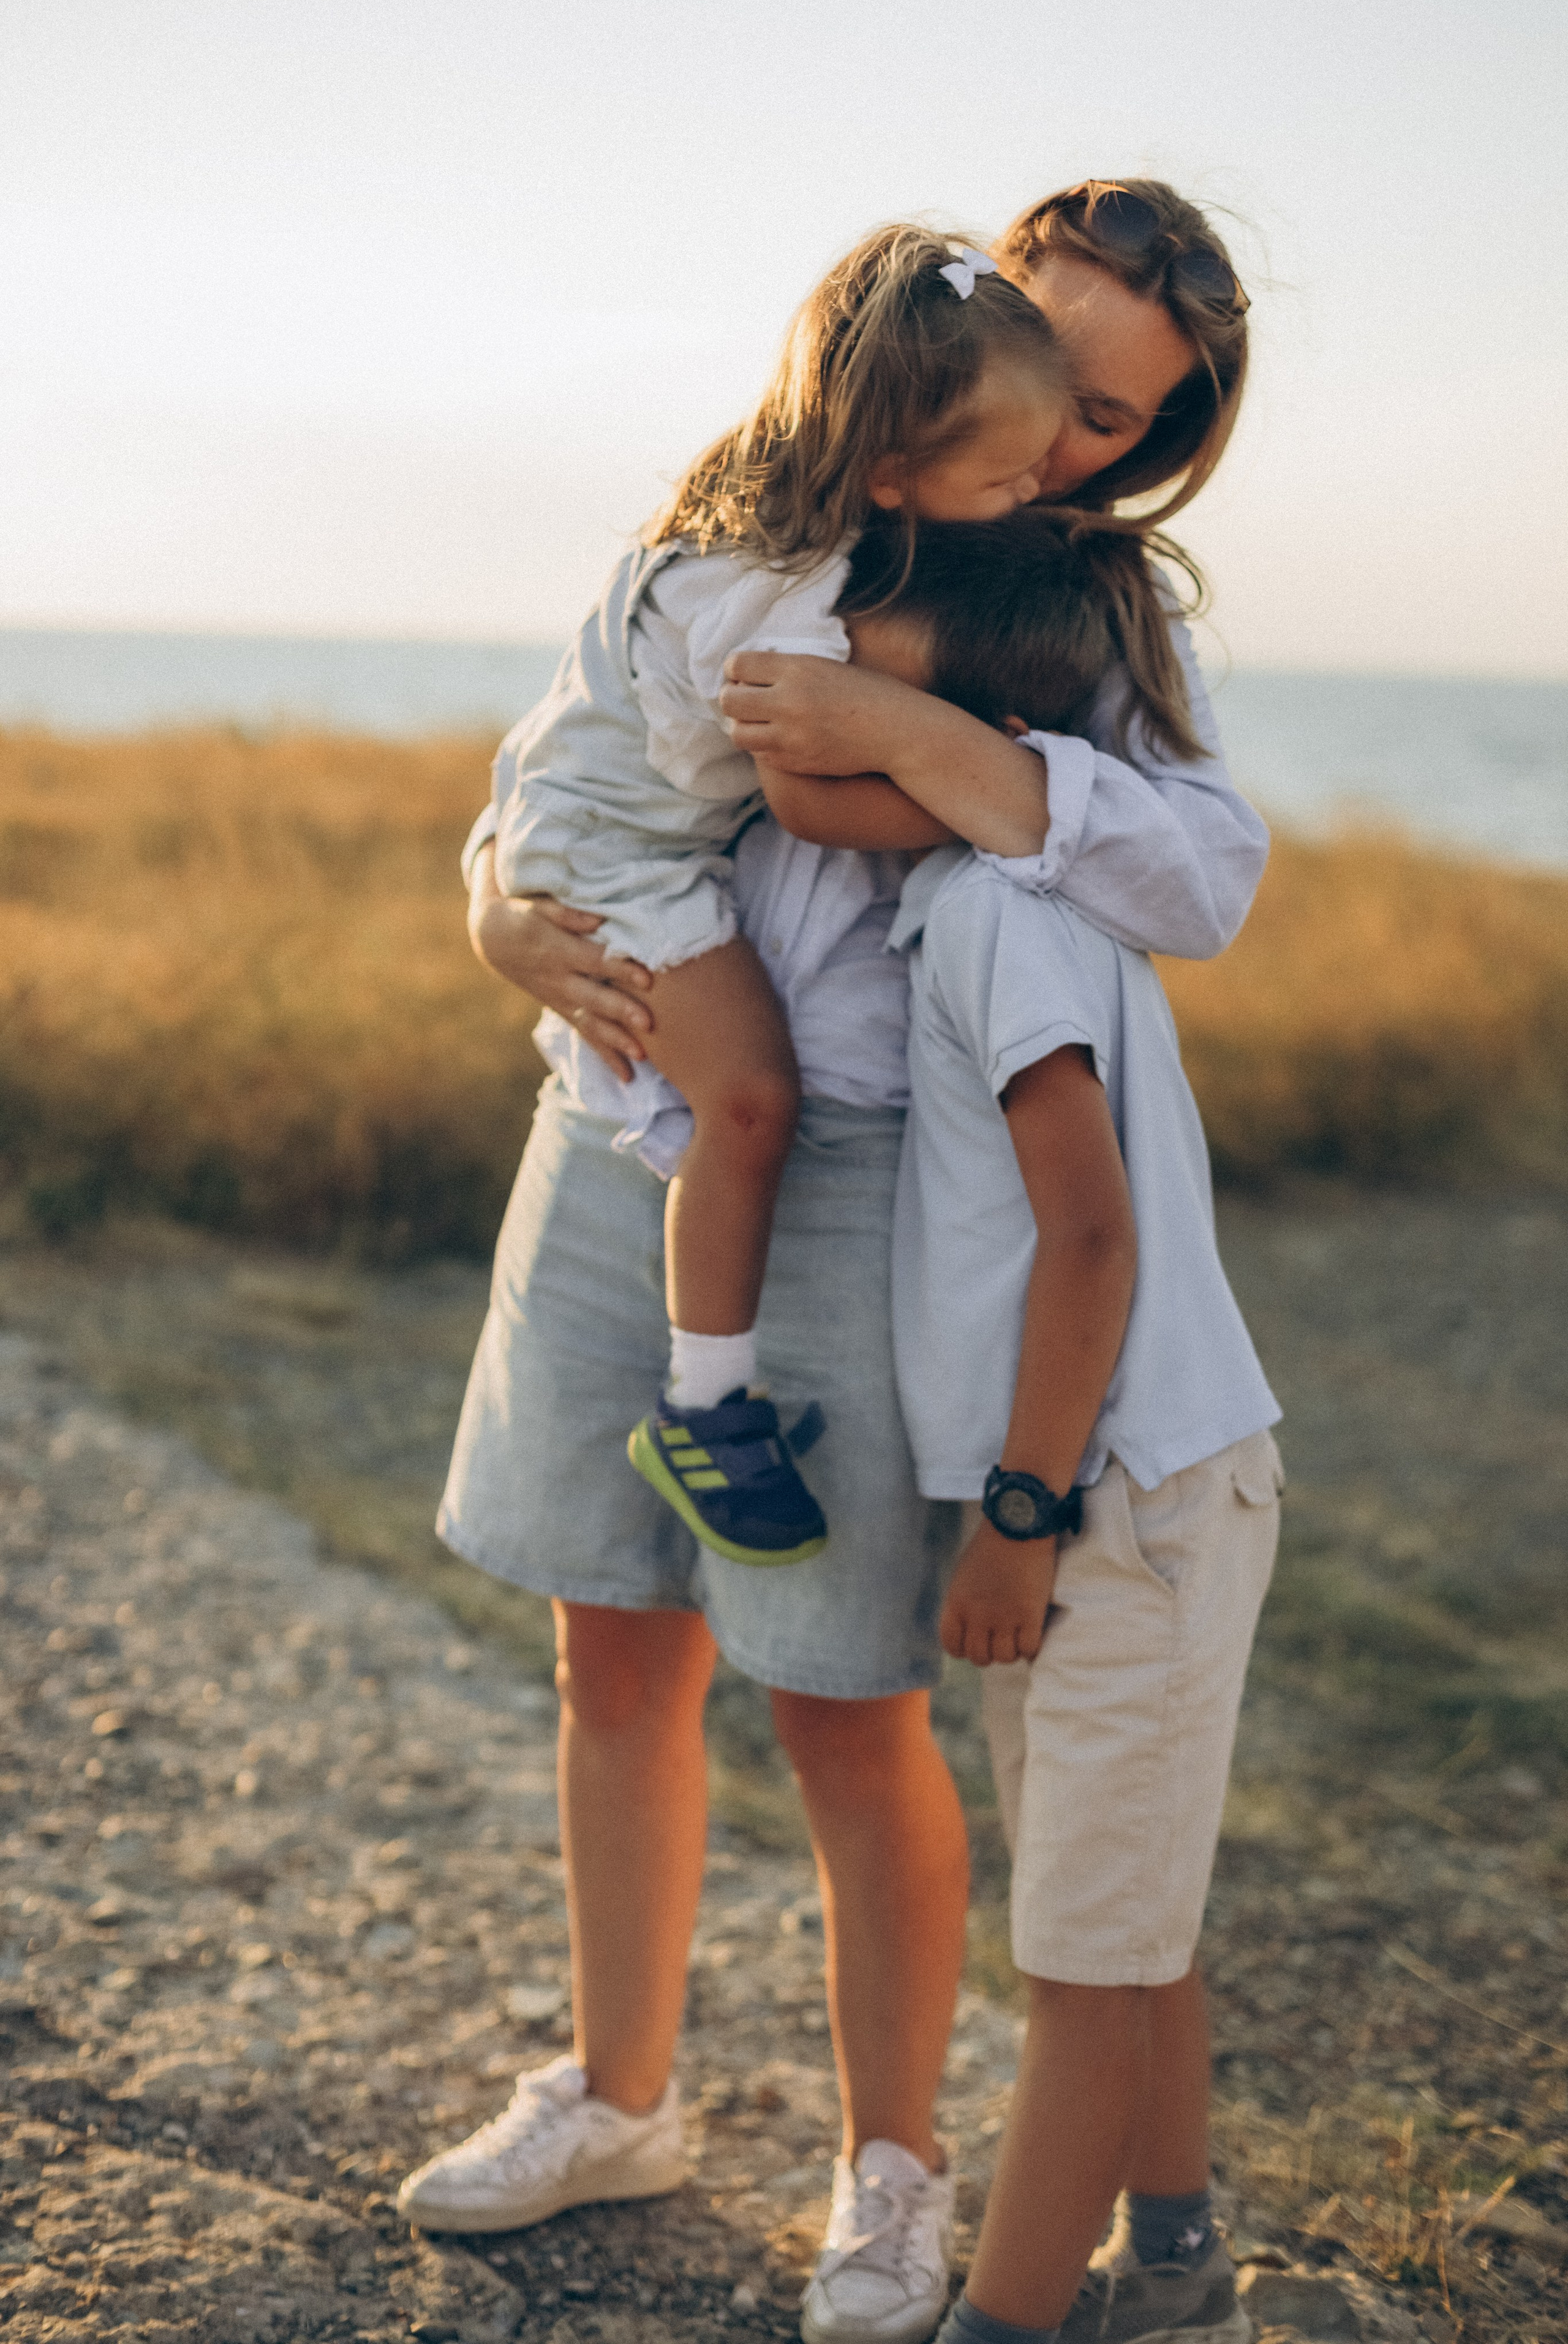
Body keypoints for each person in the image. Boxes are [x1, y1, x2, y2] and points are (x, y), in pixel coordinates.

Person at [401, 180, 1256, 2344]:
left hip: (858, 1170)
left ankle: (895, 2169)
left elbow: (1202, 872)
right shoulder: (803, 479)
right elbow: (579, 741)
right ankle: (617, 2094)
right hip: (615, 1122)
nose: (1063, 443)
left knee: (843, 1697)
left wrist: (928, 744)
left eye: (1113, 419)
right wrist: (494, 899)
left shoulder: (1090, 606)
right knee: (616, 1642)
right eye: (1047, 380)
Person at [785, 532, 1280, 2344]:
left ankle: (1012, 2321)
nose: (811, 732)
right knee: (1127, 1906)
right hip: (1123, 1484)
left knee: (1080, 1963)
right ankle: (1173, 2265)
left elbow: (1092, 1231)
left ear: (975, 739)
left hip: (1110, 1495)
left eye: (864, 708)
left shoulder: (1000, 911)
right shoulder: (979, 898)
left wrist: (1016, 1508)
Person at [490, 222, 1068, 1568]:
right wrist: (994, 804)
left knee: (744, 1094)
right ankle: (704, 1408)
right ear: (888, 470)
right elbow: (811, 803)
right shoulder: (770, 591)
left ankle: (709, 1393)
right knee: (750, 1100)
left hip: (586, 821)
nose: (1039, 487)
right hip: (610, 861)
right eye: (1010, 472)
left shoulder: (750, 502)